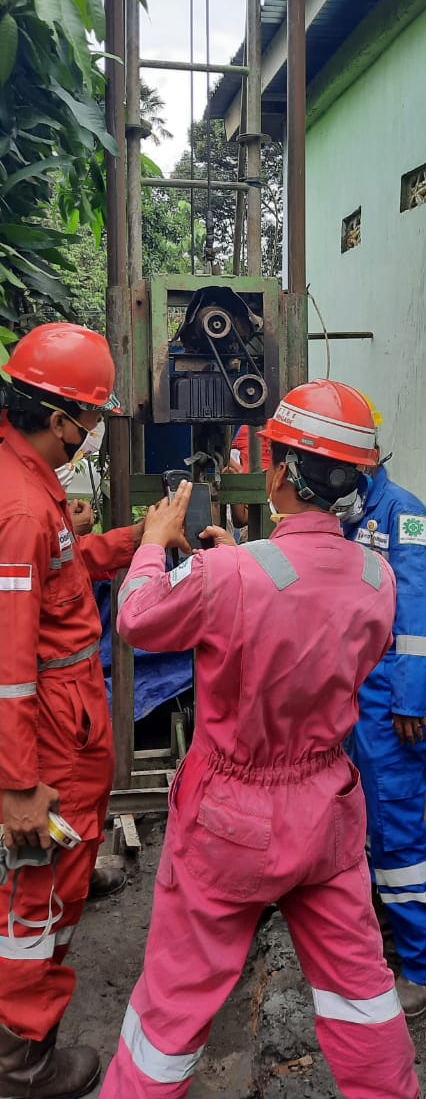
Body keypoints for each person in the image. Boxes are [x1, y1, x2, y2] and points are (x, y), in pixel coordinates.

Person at [100, 379, 419, 1099]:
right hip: (328, 808)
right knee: (360, 993)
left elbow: (139, 619)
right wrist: (235, 561)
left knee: (174, 1007)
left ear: (276, 469)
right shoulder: (378, 575)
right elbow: (314, 622)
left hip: (229, 819)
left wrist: (154, 547)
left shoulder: (227, 575)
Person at [0, 322, 145, 1098]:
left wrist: (132, 540)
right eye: (88, 425)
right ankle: (23, 1066)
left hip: (61, 718)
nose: (88, 439)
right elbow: (7, 668)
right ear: (59, 420)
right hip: (46, 734)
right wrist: (19, 786)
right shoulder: (22, 505)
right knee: (33, 892)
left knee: (44, 882)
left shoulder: (25, 482)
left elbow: (62, 570)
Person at [340, 408, 426, 1020]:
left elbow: (416, 607)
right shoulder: (350, 513)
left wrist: (409, 697)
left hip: (394, 699)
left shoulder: (401, 513)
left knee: (397, 835)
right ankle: (389, 930)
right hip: (360, 694)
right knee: (366, 825)